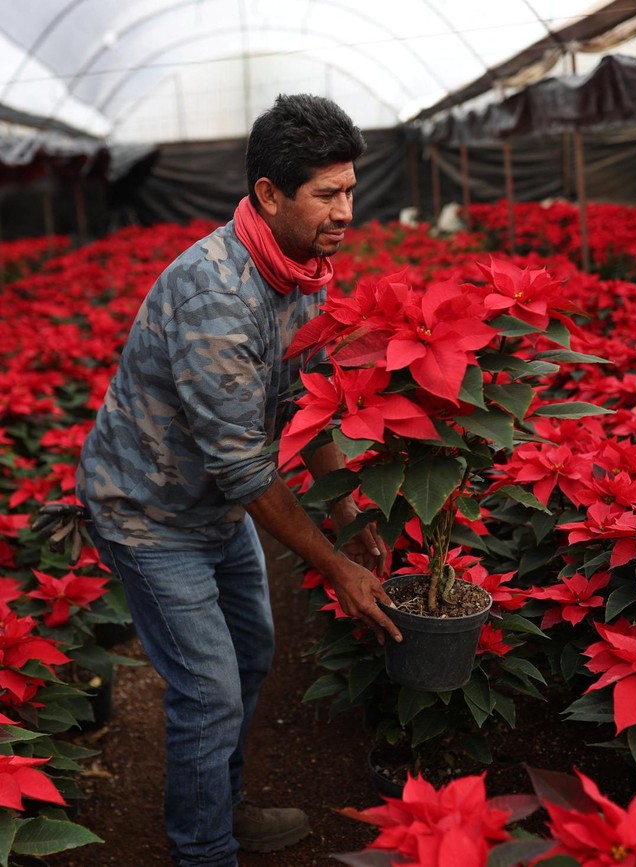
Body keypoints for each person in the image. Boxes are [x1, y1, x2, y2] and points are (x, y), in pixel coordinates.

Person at [76, 93, 402, 867]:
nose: (346, 210)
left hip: (214, 504)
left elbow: (310, 399)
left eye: (350, 189)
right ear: (267, 194)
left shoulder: (303, 269)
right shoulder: (216, 294)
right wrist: (335, 564)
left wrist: (354, 519)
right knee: (209, 687)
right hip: (150, 511)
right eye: (327, 194)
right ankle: (205, 849)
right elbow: (244, 467)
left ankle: (218, 807)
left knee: (251, 654)